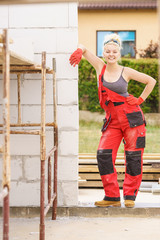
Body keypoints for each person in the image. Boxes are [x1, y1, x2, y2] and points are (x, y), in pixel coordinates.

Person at [69, 33, 156, 208]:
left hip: (132, 119)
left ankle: (130, 196)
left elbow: (151, 81)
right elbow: (83, 47)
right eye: (107, 51)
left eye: (114, 51)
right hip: (112, 121)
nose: (111, 54)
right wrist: (79, 50)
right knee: (103, 155)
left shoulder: (126, 71)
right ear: (104, 52)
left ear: (119, 53)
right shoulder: (99, 66)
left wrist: (140, 100)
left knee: (133, 157)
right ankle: (112, 196)